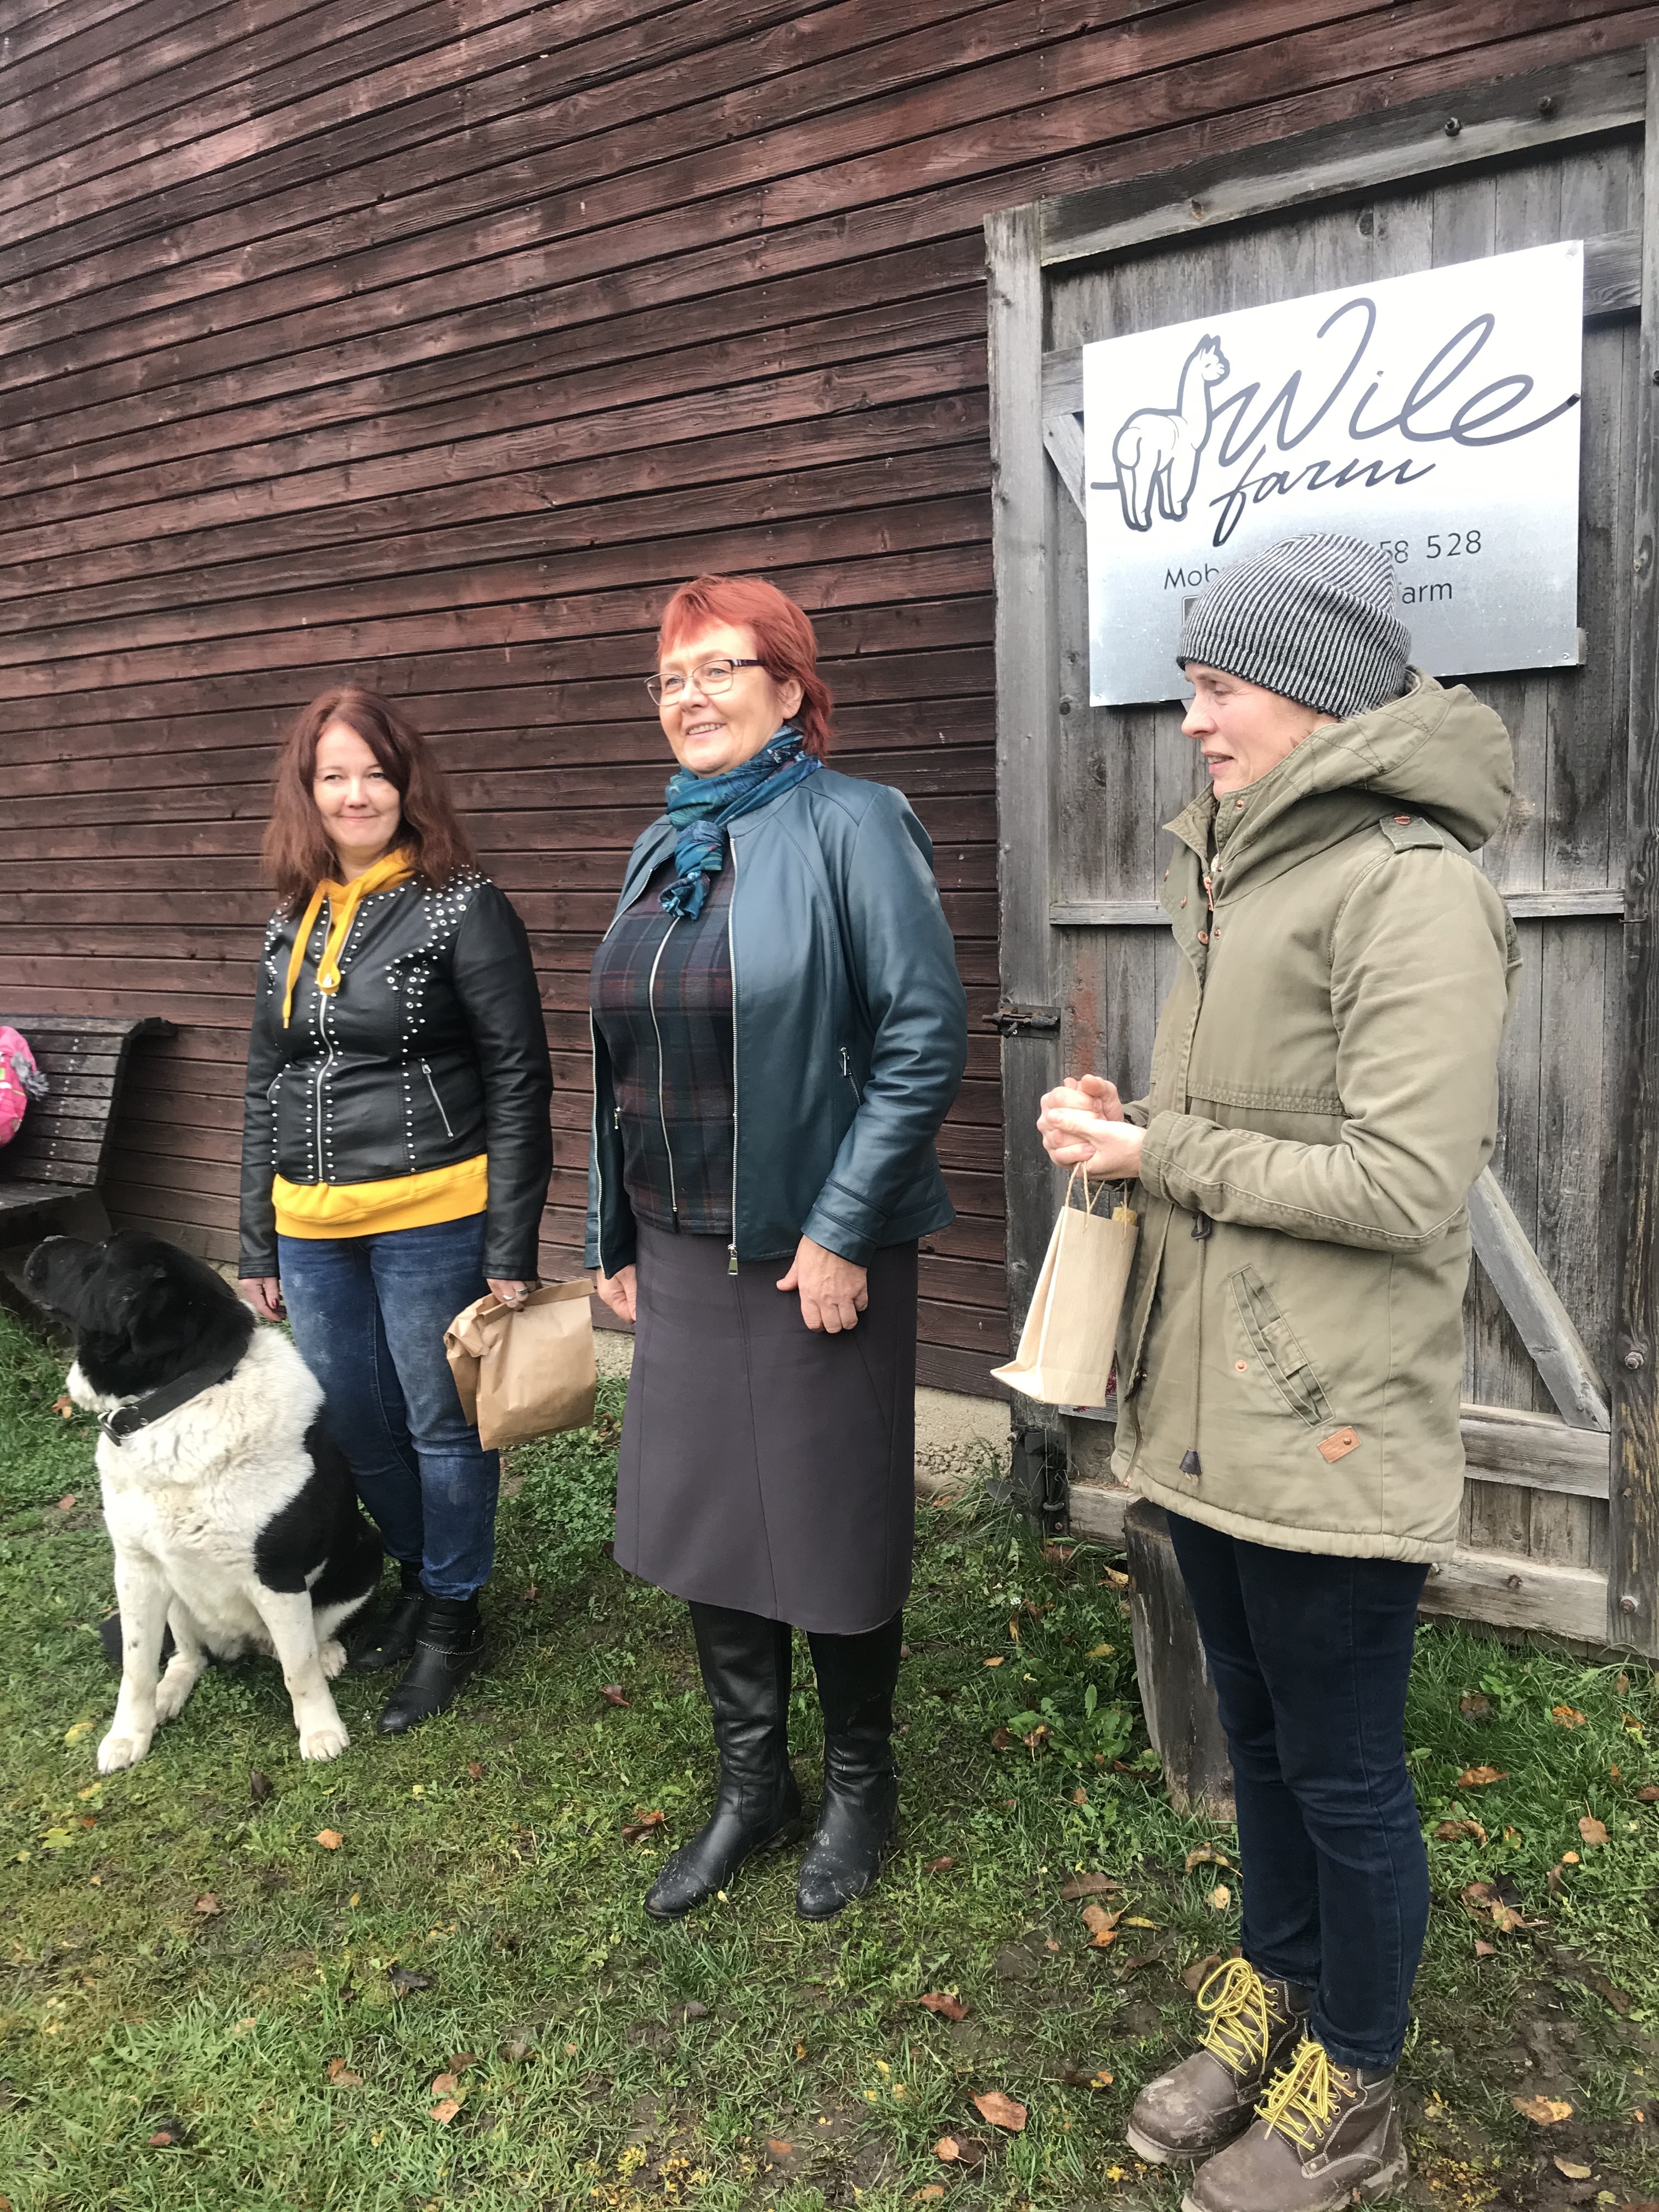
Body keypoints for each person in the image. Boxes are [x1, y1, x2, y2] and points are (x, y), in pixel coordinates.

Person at [1038, 537, 1519, 2212]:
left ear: (1310, 694)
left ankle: (1359, 2086)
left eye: (1216, 688)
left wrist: (1167, 1153)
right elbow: (1250, 1128)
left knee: (1345, 1773)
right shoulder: (1242, 865)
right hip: (1211, 1402)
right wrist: (1134, 1133)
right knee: (1257, 1740)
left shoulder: (1410, 886)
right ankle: (1284, 1997)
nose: (1192, 722)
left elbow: (1406, 1184)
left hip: (1326, 1420)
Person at [588, 573, 967, 1922]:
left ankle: (862, 1783)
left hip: (817, 1248)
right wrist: (615, 1229)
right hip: (684, 1244)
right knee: (708, 1520)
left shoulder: (856, 822)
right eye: (671, 677)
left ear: (791, 688)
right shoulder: (663, 844)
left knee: (833, 1516)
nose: (690, 697)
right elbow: (624, 1058)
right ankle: (754, 1785)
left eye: (720, 668)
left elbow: (922, 1036)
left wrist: (845, 1226)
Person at [239, 686, 552, 1734]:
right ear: (308, 791)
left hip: (434, 1209)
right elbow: (267, 1081)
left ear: (407, 785)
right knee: (355, 1423)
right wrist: (256, 1238)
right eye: (334, 775)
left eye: (376, 773)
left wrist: (511, 1238)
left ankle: (454, 1615)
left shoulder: (463, 903)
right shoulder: (291, 916)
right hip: (309, 1223)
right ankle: (423, 1578)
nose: (357, 794)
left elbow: (519, 1074)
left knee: (441, 1423)